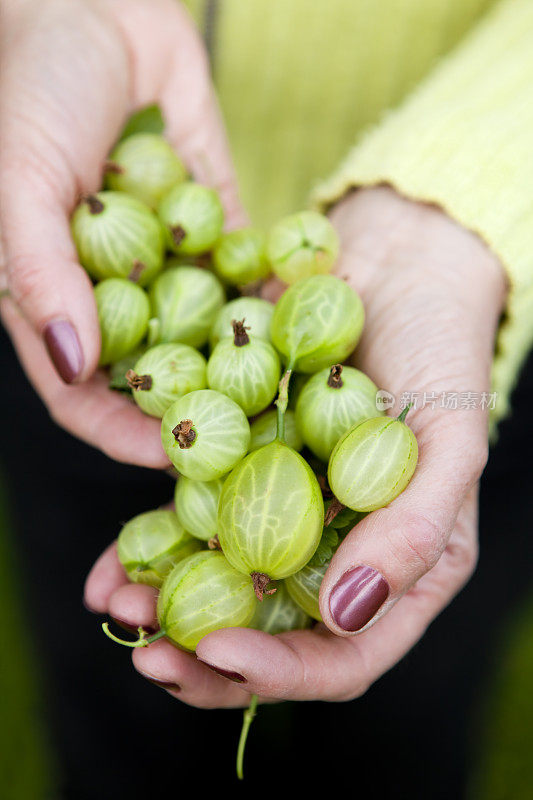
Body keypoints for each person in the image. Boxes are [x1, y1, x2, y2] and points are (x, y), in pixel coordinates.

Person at [1, 0, 531, 738]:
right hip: (111, 339)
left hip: (465, 271)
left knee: (405, 719)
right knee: (117, 711)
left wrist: (468, 199)